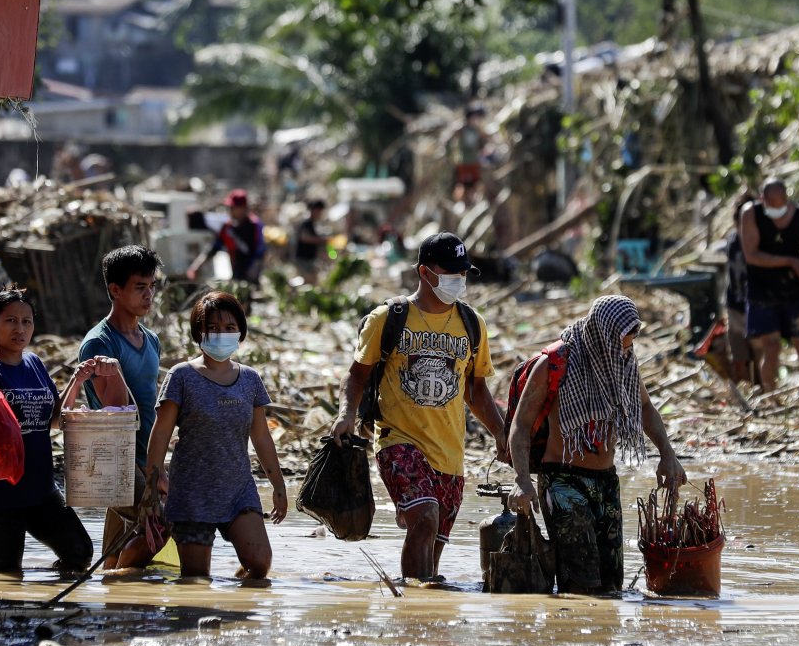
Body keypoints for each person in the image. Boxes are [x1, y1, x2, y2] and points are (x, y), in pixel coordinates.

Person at [331, 232, 504, 581]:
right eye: (451, 272)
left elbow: (477, 392)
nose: (459, 280)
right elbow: (356, 375)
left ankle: (421, 624)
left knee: (433, 550)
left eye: (463, 273)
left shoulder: (472, 325)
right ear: (425, 273)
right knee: (425, 518)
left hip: (451, 453)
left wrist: (504, 436)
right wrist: (345, 415)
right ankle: (412, 605)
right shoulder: (389, 318)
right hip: (398, 442)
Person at [507, 295, 687, 595]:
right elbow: (520, 426)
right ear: (603, 335)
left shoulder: (623, 362)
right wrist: (523, 480)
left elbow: (645, 408)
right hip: (563, 483)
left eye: (630, 342)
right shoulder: (554, 364)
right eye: (621, 342)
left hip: (606, 484)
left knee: (611, 584)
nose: (626, 349)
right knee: (580, 585)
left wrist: (668, 455)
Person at [0, 288, 118, 576]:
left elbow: (54, 419)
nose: (20, 329)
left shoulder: (34, 364)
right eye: (11, 321)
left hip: (41, 491)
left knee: (79, 552)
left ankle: (48, 598)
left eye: (27, 321)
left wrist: (77, 379)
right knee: (5, 576)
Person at [142, 291, 287, 580]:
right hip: (192, 492)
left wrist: (278, 486)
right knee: (196, 578)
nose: (221, 334)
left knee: (260, 564)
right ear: (199, 333)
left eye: (229, 328)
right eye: (212, 328)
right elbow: (161, 433)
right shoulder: (181, 376)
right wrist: (153, 479)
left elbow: (261, 438)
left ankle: (238, 607)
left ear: (240, 333)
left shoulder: (250, 379)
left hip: (237, 488)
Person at [78, 245, 167, 570]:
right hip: (115, 459)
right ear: (115, 290)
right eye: (139, 287)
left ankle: (113, 604)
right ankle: (124, 588)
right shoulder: (100, 343)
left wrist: (156, 463)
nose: (149, 295)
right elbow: (115, 411)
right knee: (161, 521)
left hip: (144, 456)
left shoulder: (150, 339)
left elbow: (150, 402)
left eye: (151, 286)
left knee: (117, 544)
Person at [740, 178, 799, 402]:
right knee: (772, 346)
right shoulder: (751, 214)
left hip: (794, 291)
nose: (777, 209)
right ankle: (770, 398)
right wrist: (789, 262)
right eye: (772, 204)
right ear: (762, 199)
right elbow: (752, 255)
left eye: (781, 203)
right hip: (763, 291)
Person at [187, 189, 267, 284]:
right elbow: (214, 248)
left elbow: (260, 252)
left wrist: (252, 273)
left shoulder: (255, 225)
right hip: (236, 275)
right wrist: (196, 266)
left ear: (242, 208)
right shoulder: (228, 227)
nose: (230, 211)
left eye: (232, 208)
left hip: (251, 276)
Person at [725, 192, 756, 383]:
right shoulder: (732, 240)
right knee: (739, 356)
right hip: (735, 305)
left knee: (757, 353)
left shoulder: (759, 241)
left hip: (755, 304)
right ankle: (745, 393)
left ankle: (760, 391)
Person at [452, 105, 488, 204]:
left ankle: (475, 202)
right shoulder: (461, 130)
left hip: (474, 161)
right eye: (474, 117)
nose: (476, 120)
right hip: (464, 162)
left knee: (476, 184)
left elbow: (483, 141)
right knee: (463, 184)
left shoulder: (477, 130)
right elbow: (450, 139)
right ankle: (463, 202)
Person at [293, 198, 329, 284]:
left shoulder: (314, 224)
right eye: (319, 210)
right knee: (308, 282)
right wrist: (321, 240)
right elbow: (304, 238)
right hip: (303, 258)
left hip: (310, 258)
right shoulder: (306, 223)